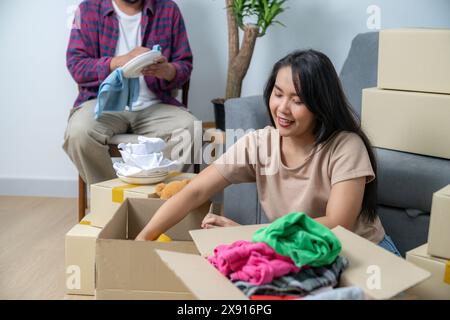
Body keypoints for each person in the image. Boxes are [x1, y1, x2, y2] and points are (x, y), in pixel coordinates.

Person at [135, 49, 401, 256]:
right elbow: (196, 190)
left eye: (298, 101)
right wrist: (144, 237)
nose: (283, 108)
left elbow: (337, 223)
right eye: (278, 94)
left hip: (361, 252)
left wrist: (254, 236)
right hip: (297, 253)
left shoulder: (345, 146)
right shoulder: (260, 144)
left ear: (321, 105)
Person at [63, 0, 197, 186]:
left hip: (156, 105)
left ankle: (163, 204)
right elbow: (76, 65)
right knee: (79, 133)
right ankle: (114, 199)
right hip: (103, 105)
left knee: (190, 128)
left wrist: (167, 70)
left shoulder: (168, 9)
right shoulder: (86, 9)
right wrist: (118, 62)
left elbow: (184, 64)